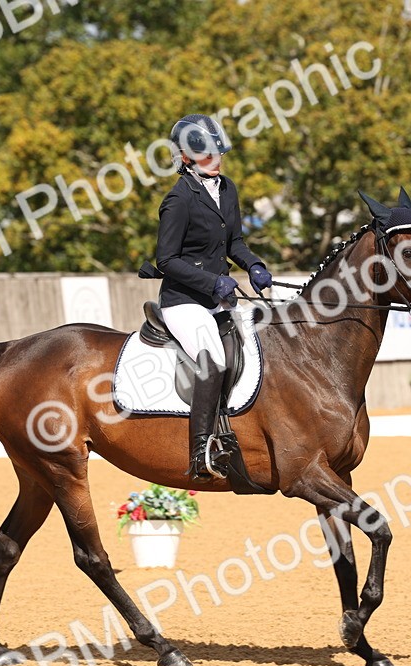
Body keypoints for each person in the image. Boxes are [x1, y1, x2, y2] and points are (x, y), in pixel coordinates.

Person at [153, 114, 272, 482]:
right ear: (186, 159)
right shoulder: (178, 200)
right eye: (207, 156)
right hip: (184, 302)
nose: (216, 161)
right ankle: (200, 451)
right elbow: (166, 260)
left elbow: (235, 241)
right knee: (214, 359)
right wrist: (211, 283)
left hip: (218, 299)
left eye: (218, 154)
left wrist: (253, 265)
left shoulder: (228, 188)